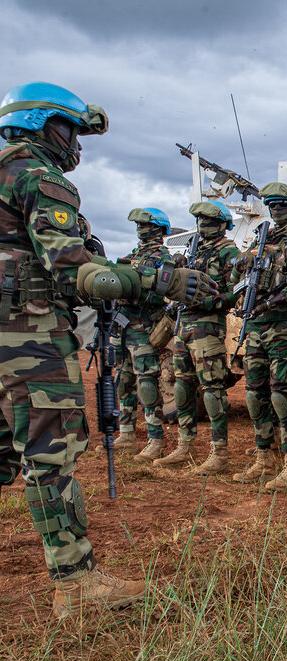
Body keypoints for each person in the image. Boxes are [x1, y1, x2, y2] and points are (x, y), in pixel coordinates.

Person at [0, 81, 216, 617]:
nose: (76, 143)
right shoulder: (36, 175)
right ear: (44, 125)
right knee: (51, 454)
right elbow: (80, 274)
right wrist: (160, 278)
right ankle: (74, 580)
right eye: (72, 130)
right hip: (26, 334)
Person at [230, 183, 287, 486]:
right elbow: (237, 280)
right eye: (273, 205)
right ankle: (264, 457)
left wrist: (273, 300)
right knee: (254, 393)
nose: (277, 210)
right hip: (256, 325)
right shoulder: (257, 240)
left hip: (284, 326)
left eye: (283, 205)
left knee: (283, 395)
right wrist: (240, 265)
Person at [153, 201, 241, 473]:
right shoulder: (193, 251)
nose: (203, 225)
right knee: (182, 386)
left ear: (222, 224)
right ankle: (184, 444)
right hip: (183, 326)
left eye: (209, 221)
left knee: (213, 390)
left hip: (208, 328)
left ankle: (219, 453)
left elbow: (236, 291)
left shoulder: (228, 252)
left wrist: (212, 304)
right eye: (200, 220)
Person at [109, 208, 175, 465]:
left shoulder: (164, 258)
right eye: (138, 224)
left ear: (159, 229)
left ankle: (155, 439)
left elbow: (162, 291)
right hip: (123, 327)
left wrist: (139, 284)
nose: (140, 229)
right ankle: (126, 432)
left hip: (145, 327)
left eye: (145, 225)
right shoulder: (131, 256)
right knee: (123, 381)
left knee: (147, 384)